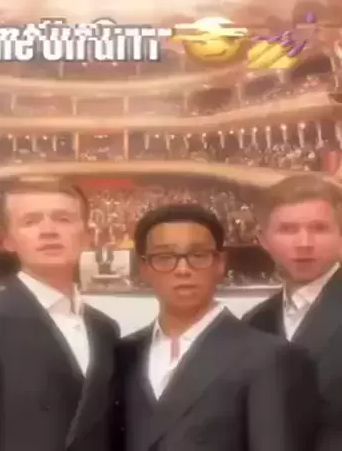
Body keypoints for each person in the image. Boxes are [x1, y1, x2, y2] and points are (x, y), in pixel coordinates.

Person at [0, 176, 121, 451]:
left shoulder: (105, 330)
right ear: (8, 241)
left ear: (87, 235)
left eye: (63, 219)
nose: (49, 230)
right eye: (31, 221)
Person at [117, 203, 319, 451]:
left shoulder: (270, 357)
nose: (183, 269)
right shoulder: (124, 353)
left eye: (198, 255)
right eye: (165, 257)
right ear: (144, 268)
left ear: (220, 263)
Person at [244, 175, 342, 451]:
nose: (304, 242)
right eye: (287, 229)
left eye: (319, 228)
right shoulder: (253, 323)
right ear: (263, 239)